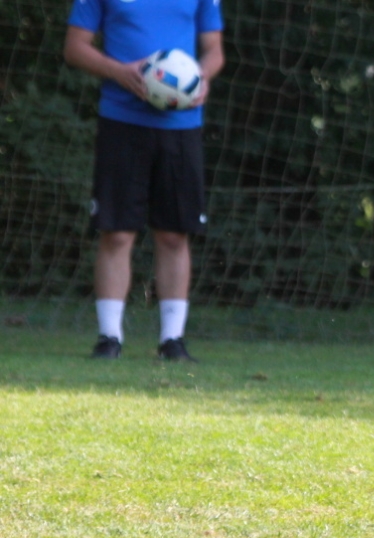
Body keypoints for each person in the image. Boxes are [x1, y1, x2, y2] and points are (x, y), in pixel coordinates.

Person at [64, 0, 226, 361]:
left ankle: (172, 340)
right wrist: (119, 71)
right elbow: (74, 46)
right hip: (121, 121)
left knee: (173, 234)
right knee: (117, 231)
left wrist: (201, 78)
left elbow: (214, 52)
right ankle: (109, 338)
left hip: (181, 125)